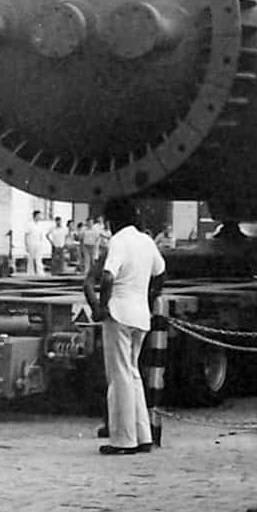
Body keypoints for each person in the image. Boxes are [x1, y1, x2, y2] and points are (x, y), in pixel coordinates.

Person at [95, 195, 166, 455]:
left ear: (113, 219)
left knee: (120, 377)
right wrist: (149, 295)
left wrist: (103, 306)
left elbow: (106, 276)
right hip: (140, 314)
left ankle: (123, 440)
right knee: (133, 374)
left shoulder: (119, 240)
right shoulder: (146, 240)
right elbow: (161, 272)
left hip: (119, 313)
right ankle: (143, 436)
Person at [22, 211, 49, 276]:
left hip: (38, 243)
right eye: (38, 216)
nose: (39, 217)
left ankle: (40, 273)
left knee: (39, 258)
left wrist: (41, 243)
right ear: (35, 216)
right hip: (31, 243)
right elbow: (26, 235)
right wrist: (26, 245)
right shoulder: (29, 224)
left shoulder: (40, 225)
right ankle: (30, 273)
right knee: (31, 258)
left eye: (40, 216)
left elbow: (40, 235)